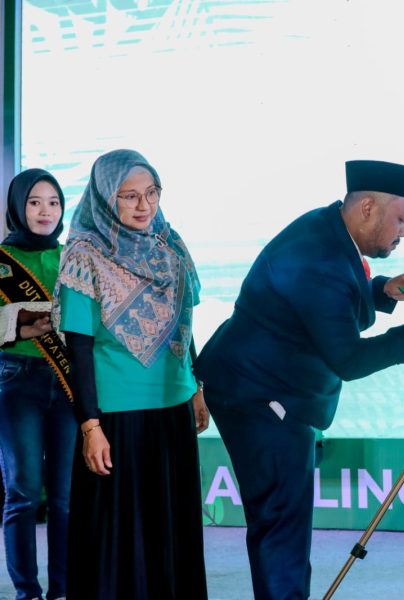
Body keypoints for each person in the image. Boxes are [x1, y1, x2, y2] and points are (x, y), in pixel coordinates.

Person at [194, 159, 404, 600]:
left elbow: (322, 304)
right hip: (263, 396)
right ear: (368, 208)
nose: (403, 232)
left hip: (259, 385)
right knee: (281, 522)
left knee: (283, 520)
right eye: (401, 219)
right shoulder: (320, 258)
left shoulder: (327, 229)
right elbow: (348, 358)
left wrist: (382, 289)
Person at [52, 149, 208, 599]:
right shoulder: (84, 254)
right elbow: (79, 347)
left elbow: (184, 323)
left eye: (152, 192)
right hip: (115, 415)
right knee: (119, 536)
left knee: (170, 528)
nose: (145, 205)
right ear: (106, 198)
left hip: (173, 404)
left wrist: (197, 386)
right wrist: (90, 426)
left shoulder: (171, 246)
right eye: (130, 196)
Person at [0, 168, 76, 600]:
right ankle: (27, 592)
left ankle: (63, 589)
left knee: (66, 497)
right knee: (23, 493)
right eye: (34, 202)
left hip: (68, 384)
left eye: (53, 202)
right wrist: (22, 324)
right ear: (18, 207)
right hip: (16, 382)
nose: (46, 211)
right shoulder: (2, 260)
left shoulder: (73, 258)